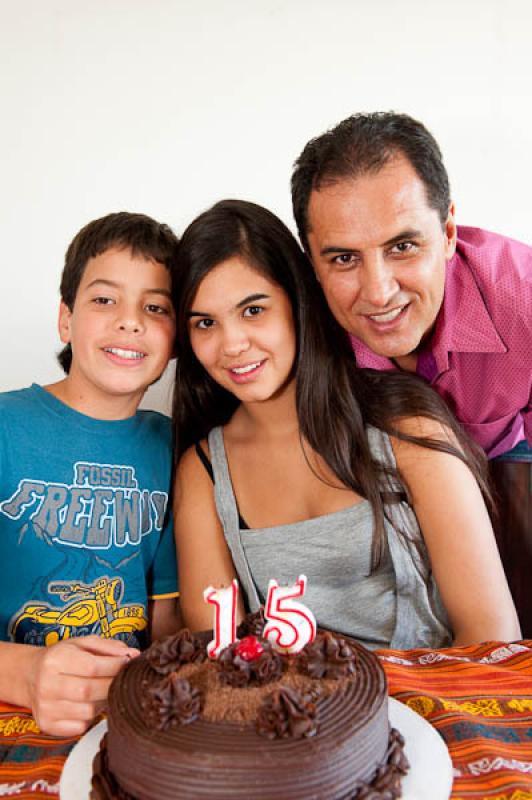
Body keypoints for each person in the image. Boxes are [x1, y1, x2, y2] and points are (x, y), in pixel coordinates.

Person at [172, 199, 520, 654]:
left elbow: (493, 639)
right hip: (281, 719)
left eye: (254, 310)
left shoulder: (407, 427)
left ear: (298, 304)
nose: (232, 344)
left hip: (434, 707)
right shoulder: (202, 470)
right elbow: (220, 659)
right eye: (205, 323)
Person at [0, 212, 181, 735]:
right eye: (105, 299)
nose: (130, 321)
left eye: (155, 306)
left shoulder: (172, 449)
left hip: (121, 721)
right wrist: (27, 673)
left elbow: (166, 624)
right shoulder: (7, 427)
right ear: (65, 317)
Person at [291, 112, 532, 460]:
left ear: (448, 233)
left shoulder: (523, 300)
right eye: (344, 258)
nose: (378, 292)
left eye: (402, 247)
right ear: (311, 262)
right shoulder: (289, 331)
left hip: (502, 460)